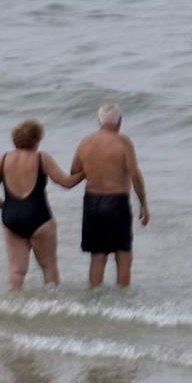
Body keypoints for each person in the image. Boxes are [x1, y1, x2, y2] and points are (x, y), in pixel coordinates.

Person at [0, 119, 84, 290]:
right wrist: (85, 172)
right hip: (39, 217)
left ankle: (12, 307)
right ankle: (53, 305)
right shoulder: (41, 158)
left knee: (17, 271)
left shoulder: (4, 159)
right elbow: (66, 182)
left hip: (12, 217)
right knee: (48, 267)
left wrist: (2, 205)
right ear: (36, 139)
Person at [70, 103, 149, 287]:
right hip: (116, 202)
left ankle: (95, 300)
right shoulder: (123, 142)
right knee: (123, 255)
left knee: (98, 256)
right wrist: (143, 203)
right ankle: (122, 303)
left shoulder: (85, 142)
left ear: (99, 121)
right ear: (120, 122)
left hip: (91, 202)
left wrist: (93, 168)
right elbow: (134, 174)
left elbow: (75, 170)